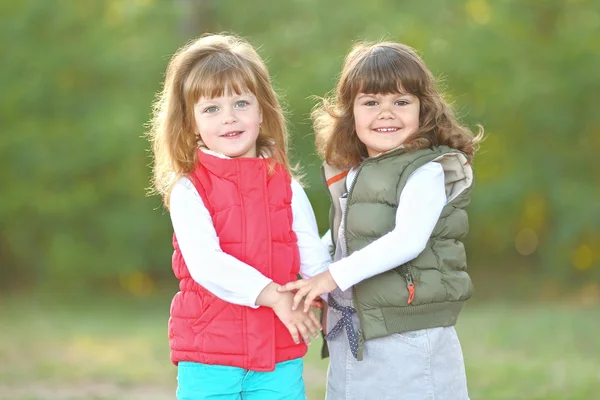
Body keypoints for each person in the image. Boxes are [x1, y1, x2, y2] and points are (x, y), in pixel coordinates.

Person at [278, 41, 483, 399]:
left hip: (410, 335)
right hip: (357, 328)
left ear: (424, 109)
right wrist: (308, 269)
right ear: (350, 113)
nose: (386, 113)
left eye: (401, 102)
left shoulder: (427, 170)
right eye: (371, 102)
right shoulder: (356, 172)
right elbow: (344, 235)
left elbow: (407, 240)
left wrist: (331, 277)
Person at [146, 33, 331, 400]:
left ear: (262, 112)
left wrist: (324, 294)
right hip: (210, 357)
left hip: (279, 353)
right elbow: (207, 263)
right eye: (211, 108)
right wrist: (274, 296)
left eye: (241, 103)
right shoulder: (189, 189)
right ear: (191, 122)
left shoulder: (287, 186)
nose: (229, 118)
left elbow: (312, 258)